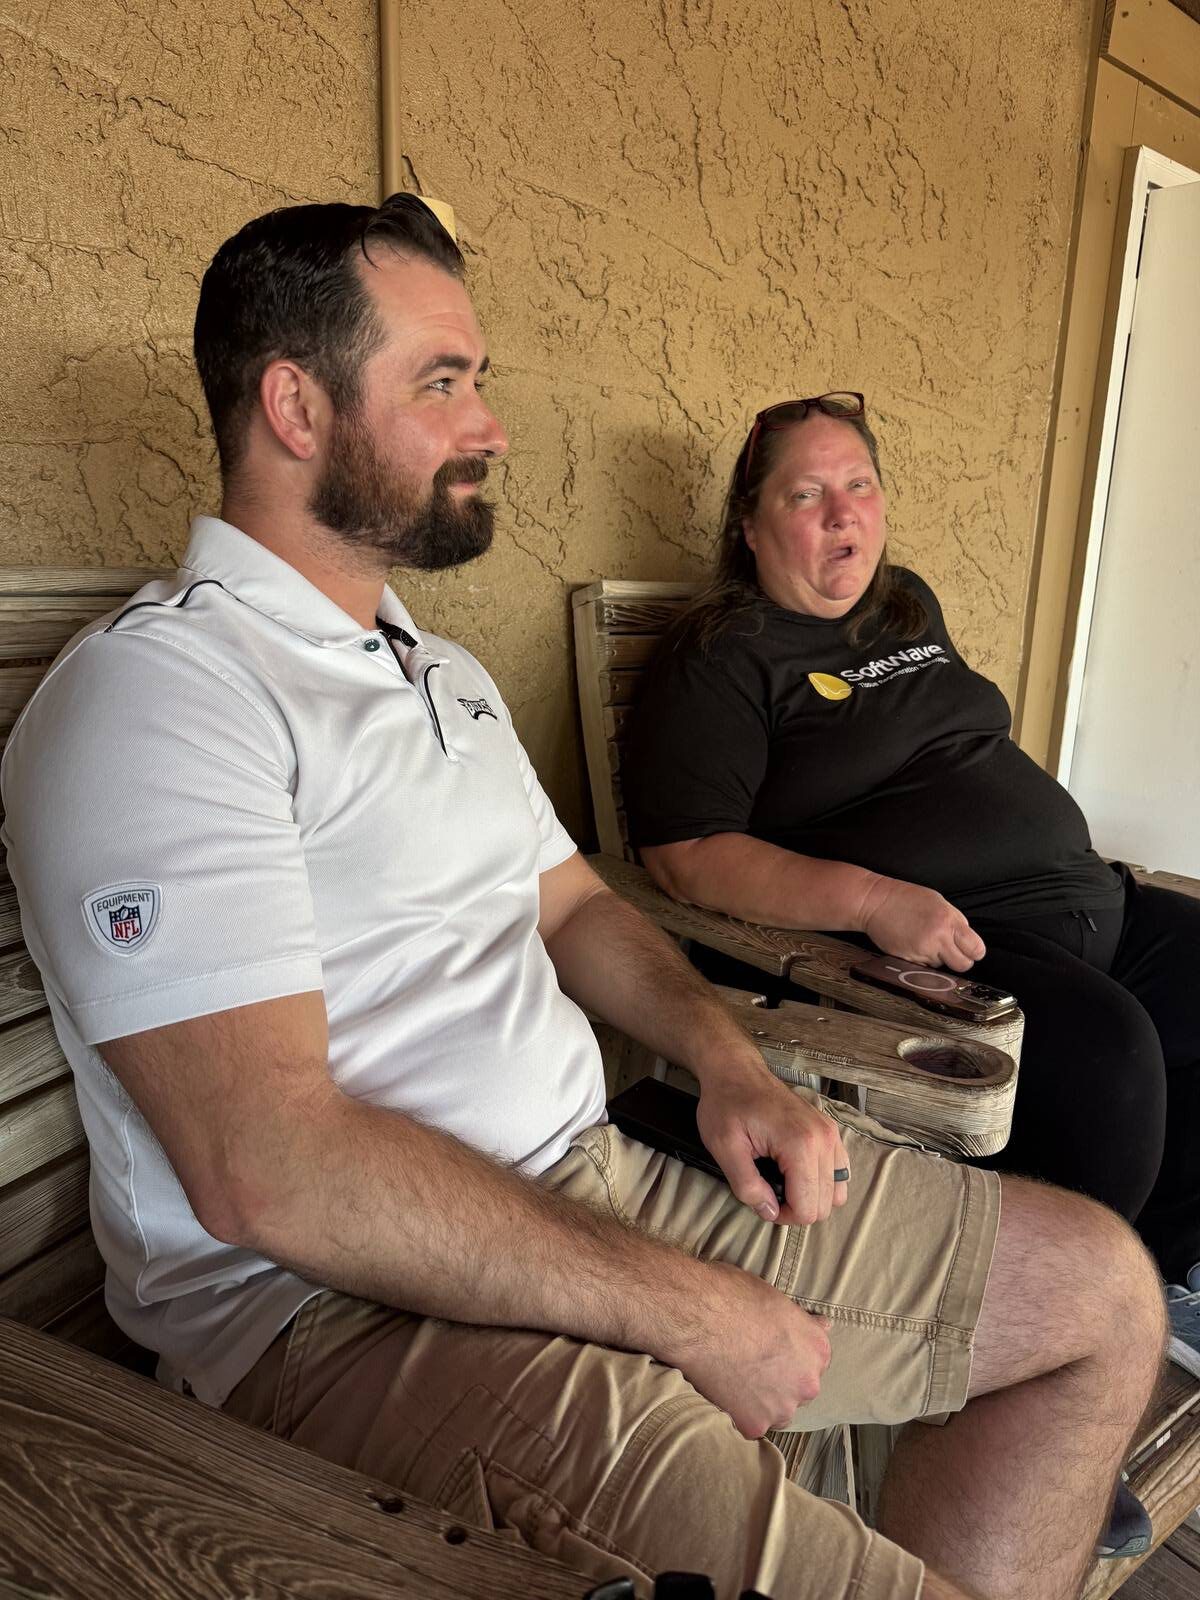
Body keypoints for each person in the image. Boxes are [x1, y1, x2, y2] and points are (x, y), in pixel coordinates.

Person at [0, 204, 1166, 1600]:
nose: (489, 425)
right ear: (296, 406)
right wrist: (690, 1311)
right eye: (444, 382)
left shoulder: (438, 675)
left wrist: (728, 1062)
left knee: (1103, 1300)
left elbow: (577, 911)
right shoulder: (164, 698)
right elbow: (270, 1168)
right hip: (351, 1316)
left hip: (595, 1183)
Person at [622, 391, 1200, 1373]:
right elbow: (686, 854)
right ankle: (1040, 1356)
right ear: (749, 525)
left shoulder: (905, 606)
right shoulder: (723, 657)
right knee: (1111, 1066)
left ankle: (1155, 1285)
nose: (844, 514)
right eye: (807, 493)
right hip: (951, 945)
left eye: (860, 485)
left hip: (1087, 896)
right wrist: (872, 901)